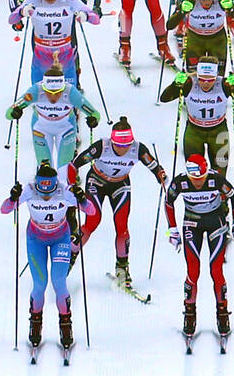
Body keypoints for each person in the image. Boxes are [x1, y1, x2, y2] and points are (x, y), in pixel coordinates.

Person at [1, 162, 96, 352]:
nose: (45, 196)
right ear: (37, 183)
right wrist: (13, 198)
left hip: (60, 238)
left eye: (50, 190)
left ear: (55, 185)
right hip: (36, 239)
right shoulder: (28, 190)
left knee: (59, 281)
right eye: (42, 190)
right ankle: (35, 320)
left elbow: (91, 211)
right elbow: (4, 210)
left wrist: (82, 199)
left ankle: (65, 323)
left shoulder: (64, 191)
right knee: (40, 283)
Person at [71, 117, 168, 288]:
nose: (123, 149)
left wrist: (161, 176)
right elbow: (75, 165)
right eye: (118, 145)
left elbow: (154, 166)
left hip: (120, 184)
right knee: (92, 222)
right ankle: (69, 257)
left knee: (122, 226)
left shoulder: (138, 149)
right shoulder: (102, 146)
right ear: (112, 141)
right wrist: (72, 186)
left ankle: (122, 267)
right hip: (97, 181)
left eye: (126, 145)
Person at [165, 153, 234, 343]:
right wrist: (172, 229)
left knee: (216, 270)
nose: (197, 182)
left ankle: (222, 312)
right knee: (193, 269)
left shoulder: (215, 179)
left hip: (216, 222)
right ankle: (189, 313)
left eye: (200, 178)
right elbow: (169, 201)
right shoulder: (180, 182)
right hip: (191, 223)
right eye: (193, 178)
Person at [160, 55, 234, 175]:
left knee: (220, 172)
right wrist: (175, 85)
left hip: (218, 132)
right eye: (202, 79)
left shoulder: (224, 85)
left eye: (210, 80)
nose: (205, 83)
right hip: (194, 132)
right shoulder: (189, 83)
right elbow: (164, 99)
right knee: (194, 172)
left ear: (216, 77)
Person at [8, 0, 100, 85]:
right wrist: (22, 12)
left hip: (64, 54)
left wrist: (85, 16)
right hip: (41, 54)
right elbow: (11, 20)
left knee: (68, 93)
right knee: (40, 94)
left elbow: (96, 19)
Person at [6, 64, 100, 168]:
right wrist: (15, 112)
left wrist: (93, 119)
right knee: (45, 166)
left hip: (66, 128)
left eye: (58, 92)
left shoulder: (71, 92)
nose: (53, 96)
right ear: (44, 87)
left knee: (64, 166)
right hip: (41, 128)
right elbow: (9, 113)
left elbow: (94, 113)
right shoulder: (36, 90)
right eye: (49, 92)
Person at [166, 0, 234, 72]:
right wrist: (181, 11)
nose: (206, 2)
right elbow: (169, 26)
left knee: (218, 75)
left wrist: (231, 9)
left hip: (217, 39)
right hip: (195, 39)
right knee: (193, 76)